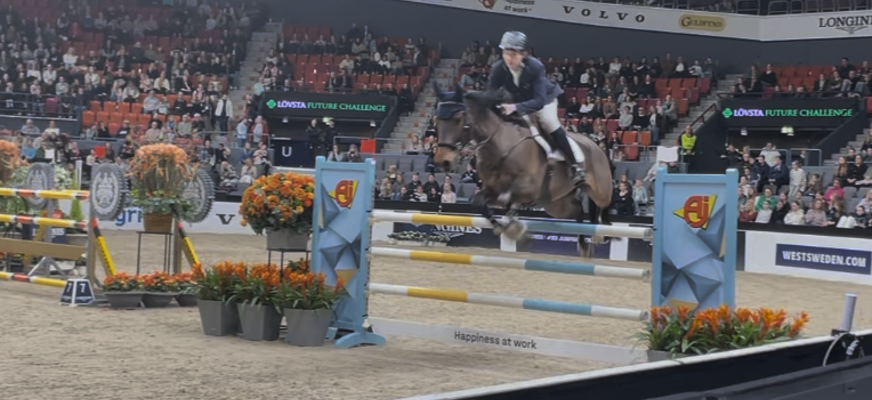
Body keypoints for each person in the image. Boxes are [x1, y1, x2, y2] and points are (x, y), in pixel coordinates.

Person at [488, 31, 582, 183]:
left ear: (524, 54)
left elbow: (539, 101)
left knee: (548, 122)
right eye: (506, 53)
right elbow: (490, 93)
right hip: (521, 102)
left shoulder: (536, 67)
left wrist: (514, 107)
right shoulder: (498, 68)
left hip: (545, 100)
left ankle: (576, 165)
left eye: (514, 54)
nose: (509, 58)